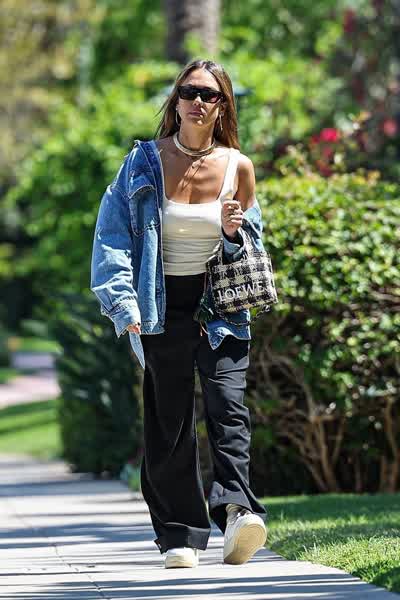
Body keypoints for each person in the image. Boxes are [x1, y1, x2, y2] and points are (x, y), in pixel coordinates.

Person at [90, 58, 268, 569]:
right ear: (176, 100)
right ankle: (179, 535)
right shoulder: (142, 163)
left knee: (228, 406)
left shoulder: (238, 167)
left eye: (209, 94)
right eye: (189, 91)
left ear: (223, 106)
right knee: (168, 419)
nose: (197, 101)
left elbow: (252, 249)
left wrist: (233, 233)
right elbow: (112, 236)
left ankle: (237, 512)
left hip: (219, 306)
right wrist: (122, 303)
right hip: (158, 304)